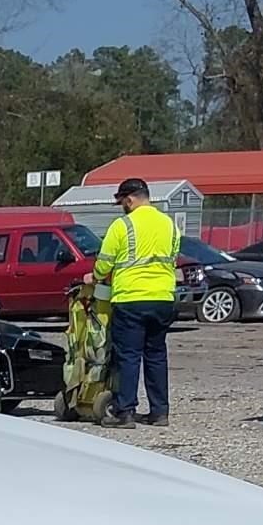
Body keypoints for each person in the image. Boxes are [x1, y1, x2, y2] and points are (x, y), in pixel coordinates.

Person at [92, 176, 179, 426]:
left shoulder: (122, 226)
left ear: (129, 200)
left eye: (122, 202)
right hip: (163, 298)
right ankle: (160, 411)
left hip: (131, 298)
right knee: (156, 354)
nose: (122, 206)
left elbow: (105, 261)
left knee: (128, 356)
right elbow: (172, 258)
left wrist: (95, 276)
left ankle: (125, 411)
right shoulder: (170, 225)